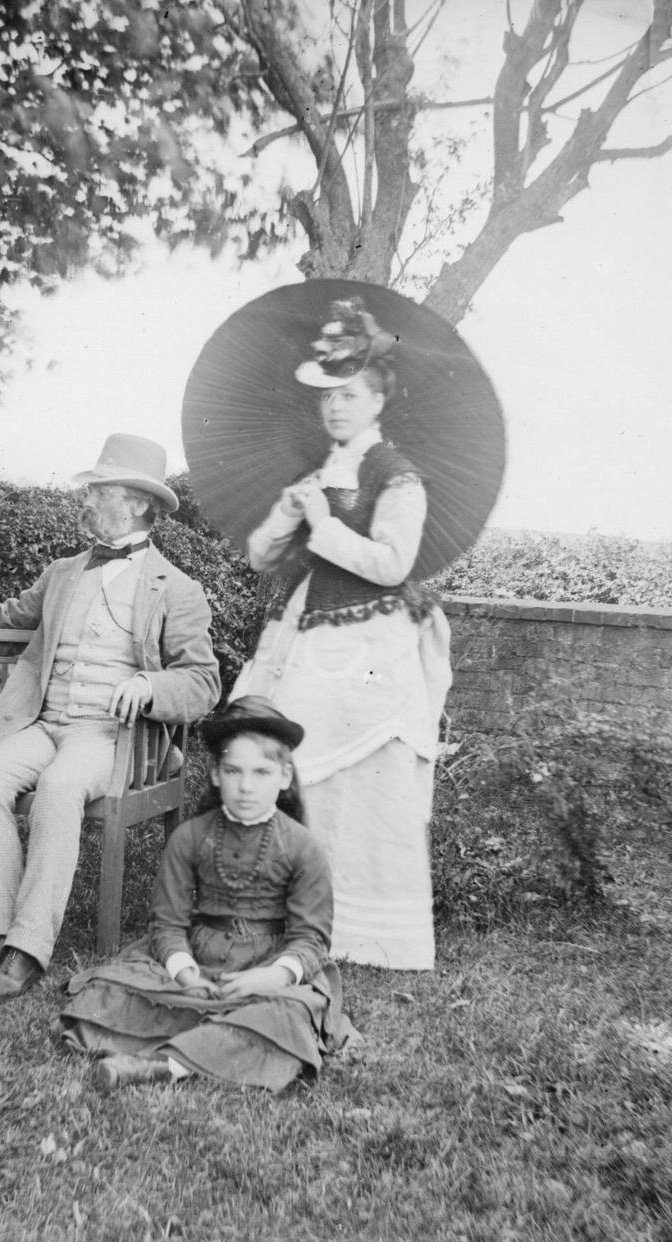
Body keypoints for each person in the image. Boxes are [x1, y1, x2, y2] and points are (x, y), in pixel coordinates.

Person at [0, 433, 220, 1005]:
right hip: (46, 723)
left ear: (138, 502)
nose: (86, 501)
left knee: (60, 789)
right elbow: (3, 614)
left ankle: (28, 949)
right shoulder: (63, 572)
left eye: (99, 491)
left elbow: (203, 682)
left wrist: (147, 683)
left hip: (111, 736)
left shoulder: (177, 589)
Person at [230, 298, 452, 971]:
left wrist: (326, 522)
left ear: (378, 398)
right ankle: (307, 923)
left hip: (377, 642)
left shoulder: (398, 474)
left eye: (350, 394)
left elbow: (392, 563)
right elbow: (262, 557)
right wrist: (291, 514)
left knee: (373, 780)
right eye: (328, 395)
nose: (336, 406)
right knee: (306, 770)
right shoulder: (315, 475)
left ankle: (379, 934)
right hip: (312, 635)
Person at [59, 696, 351, 1092]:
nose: (246, 787)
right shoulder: (189, 838)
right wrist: (184, 972)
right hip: (199, 957)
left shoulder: (303, 848)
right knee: (107, 993)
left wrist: (272, 977)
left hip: (270, 964)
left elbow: (311, 938)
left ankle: (162, 1065)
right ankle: (215, 1044)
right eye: (234, 771)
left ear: (284, 777)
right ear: (215, 773)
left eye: (262, 773)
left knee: (287, 1015)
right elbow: (167, 922)